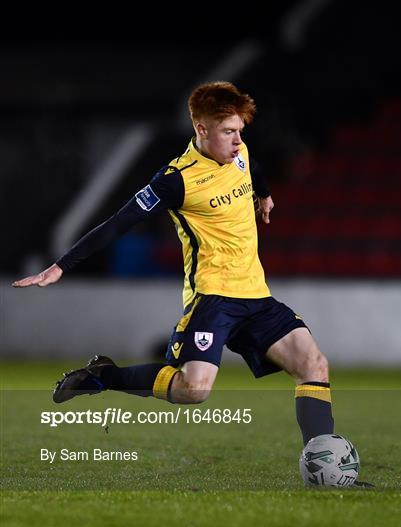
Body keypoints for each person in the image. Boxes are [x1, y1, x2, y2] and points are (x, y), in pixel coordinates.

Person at [12, 81, 334, 446]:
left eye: (240, 131)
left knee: (314, 365)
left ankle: (320, 460)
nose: (237, 140)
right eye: (228, 131)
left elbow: (253, 167)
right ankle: (104, 376)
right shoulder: (175, 180)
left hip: (257, 297)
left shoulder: (239, 153)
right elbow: (118, 221)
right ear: (201, 129)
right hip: (212, 298)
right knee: (194, 390)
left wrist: (264, 194)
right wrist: (61, 266)